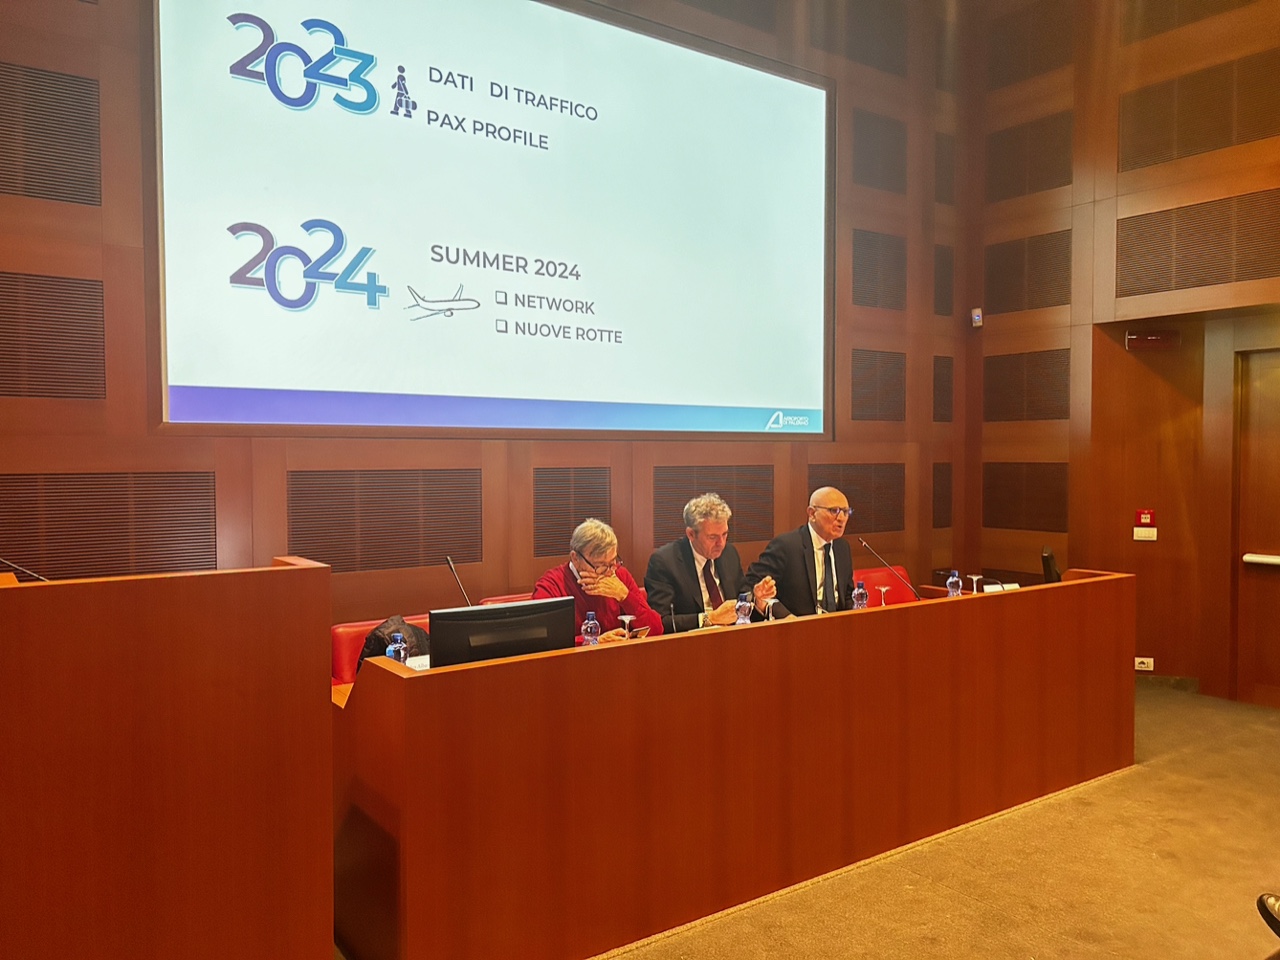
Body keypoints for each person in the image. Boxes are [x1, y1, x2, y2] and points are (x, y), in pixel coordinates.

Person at [644, 492, 780, 633]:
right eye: (712, 537)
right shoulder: (665, 562)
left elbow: (740, 605)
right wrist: (710, 618)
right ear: (691, 534)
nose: (721, 543)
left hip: (732, 637)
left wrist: (757, 600)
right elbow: (660, 622)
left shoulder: (729, 554)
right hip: (691, 642)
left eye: (725, 534)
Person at [532, 518, 663, 644]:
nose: (609, 572)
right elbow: (540, 640)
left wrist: (625, 597)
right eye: (600, 566)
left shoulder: (619, 576)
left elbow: (656, 630)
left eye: (612, 562)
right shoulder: (552, 585)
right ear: (575, 558)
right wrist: (593, 641)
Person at [745, 486, 854, 617]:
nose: (841, 518)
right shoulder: (786, 546)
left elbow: (847, 595)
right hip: (796, 624)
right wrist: (784, 616)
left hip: (838, 625)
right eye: (834, 511)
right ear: (812, 513)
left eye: (846, 511)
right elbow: (752, 585)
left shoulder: (842, 548)